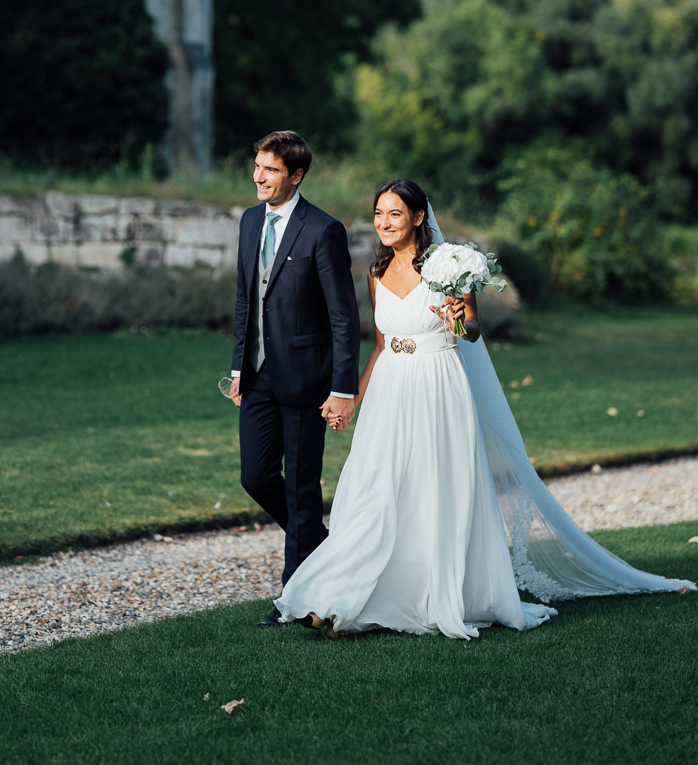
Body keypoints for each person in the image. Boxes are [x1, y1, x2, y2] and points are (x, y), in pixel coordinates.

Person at [276, 179, 695, 638]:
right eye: (379, 214)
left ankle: (431, 596)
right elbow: (379, 345)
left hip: (438, 385)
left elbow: (471, 330)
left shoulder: (447, 266)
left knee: (434, 491)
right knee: (373, 492)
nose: (384, 223)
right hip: (390, 391)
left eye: (394, 214)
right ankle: (339, 597)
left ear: (418, 217)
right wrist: (354, 398)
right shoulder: (375, 275)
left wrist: (459, 318)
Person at [229, 131, 360, 626]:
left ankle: (295, 600)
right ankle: (322, 547)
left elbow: (344, 317)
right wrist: (239, 367)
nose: (259, 177)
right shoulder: (248, 222)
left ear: (297, 175)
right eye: (257, 166)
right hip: (257, 376)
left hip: (307, 378)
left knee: (303, 487)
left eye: (271, 169)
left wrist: (342, 388)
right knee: (255, 475)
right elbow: (245, 298)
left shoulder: (323, 230)